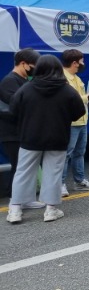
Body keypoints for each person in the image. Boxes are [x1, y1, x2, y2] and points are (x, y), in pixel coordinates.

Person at [6, 55, 85, 224]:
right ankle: (50, 210)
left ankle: (15, 209)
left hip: (30, 137)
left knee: (23, 172)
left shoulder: (26, 89)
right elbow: (79, 112)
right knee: (53, 173)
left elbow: (13, 110)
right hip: (58, 137)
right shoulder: (67, 90)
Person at [0, 48, 40, 200]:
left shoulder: (24, 80)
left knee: (23, 167)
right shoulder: (10, 81)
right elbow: (19, 106)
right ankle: (15, 200)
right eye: (33, 66)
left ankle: (24, 198)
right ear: (23, 63)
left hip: (23, 132)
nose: (35, 70)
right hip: (12, 133)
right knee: (19, 167)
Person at [60, 49, 89, 196]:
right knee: (66, 154)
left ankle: (80, 180)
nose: (83, 64)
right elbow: (70, 99)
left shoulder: (76, 77)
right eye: (81, 61)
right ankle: (61, 183)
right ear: (74, 62)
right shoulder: (63, 77)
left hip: (82, 120)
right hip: (70, 122)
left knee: (79, 152)